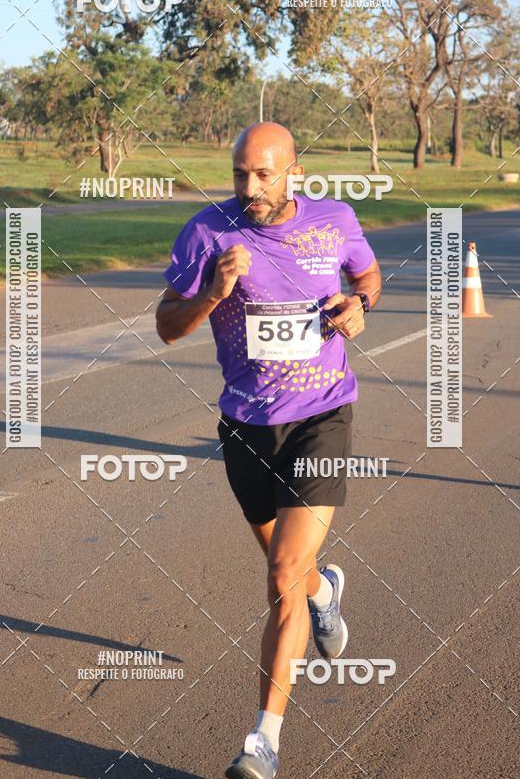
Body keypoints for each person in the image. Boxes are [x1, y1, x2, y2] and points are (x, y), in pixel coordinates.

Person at [156, 122, 381, 779]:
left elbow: (367, 277)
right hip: (246, 427)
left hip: (322, 416)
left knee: (281, 576)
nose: (249, 187)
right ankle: (325, 590)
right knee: (294, 571)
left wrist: (360, 304)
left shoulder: (335, 221)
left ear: (294, 173)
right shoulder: (206, 233)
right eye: (239, 174)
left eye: (263, 174)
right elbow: (167, 327)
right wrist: (212, 292)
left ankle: (263, 740)